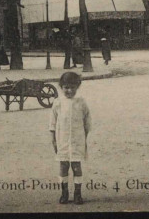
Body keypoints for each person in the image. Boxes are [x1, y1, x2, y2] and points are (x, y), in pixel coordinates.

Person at [50, 71, 92, 205]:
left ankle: (77, 194)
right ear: (61, 87)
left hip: (77, 140)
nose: (69, 90)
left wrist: (83, 137)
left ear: (77, 87)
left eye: (72, 87)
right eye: (66, 87)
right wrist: (53, 139)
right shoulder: (58, 103)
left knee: (76, 165)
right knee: (63, 166)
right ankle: (64, 193)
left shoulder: (81, 102)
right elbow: (52, 122)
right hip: (62, 140)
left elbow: (87, 122)